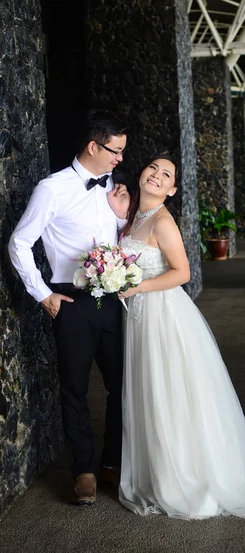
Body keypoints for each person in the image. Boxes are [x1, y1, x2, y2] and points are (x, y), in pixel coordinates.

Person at [117, 154, 245, 520]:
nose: (157, 175)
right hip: (142, 317)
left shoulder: (162, 221)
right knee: (151, 389)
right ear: (142, 173)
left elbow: (182, 273)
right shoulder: (135, 216)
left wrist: (137, 288)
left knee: (172, 390)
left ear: (172, 189)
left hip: (163, 314)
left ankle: (187, 475)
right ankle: (157, 470)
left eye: (166, 175)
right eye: (153, 168)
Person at [8, 110, 130, 506]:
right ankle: (84, 471)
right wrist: (43, 294)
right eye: (115, 151)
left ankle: (113, 462)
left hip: (112, 300)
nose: (120, 159)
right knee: (74, 389)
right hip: (71, 301)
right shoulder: (52, 188)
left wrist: (120, 217)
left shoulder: (112, 184)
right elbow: (19, 242)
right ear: (94, 146)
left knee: (121, 385)